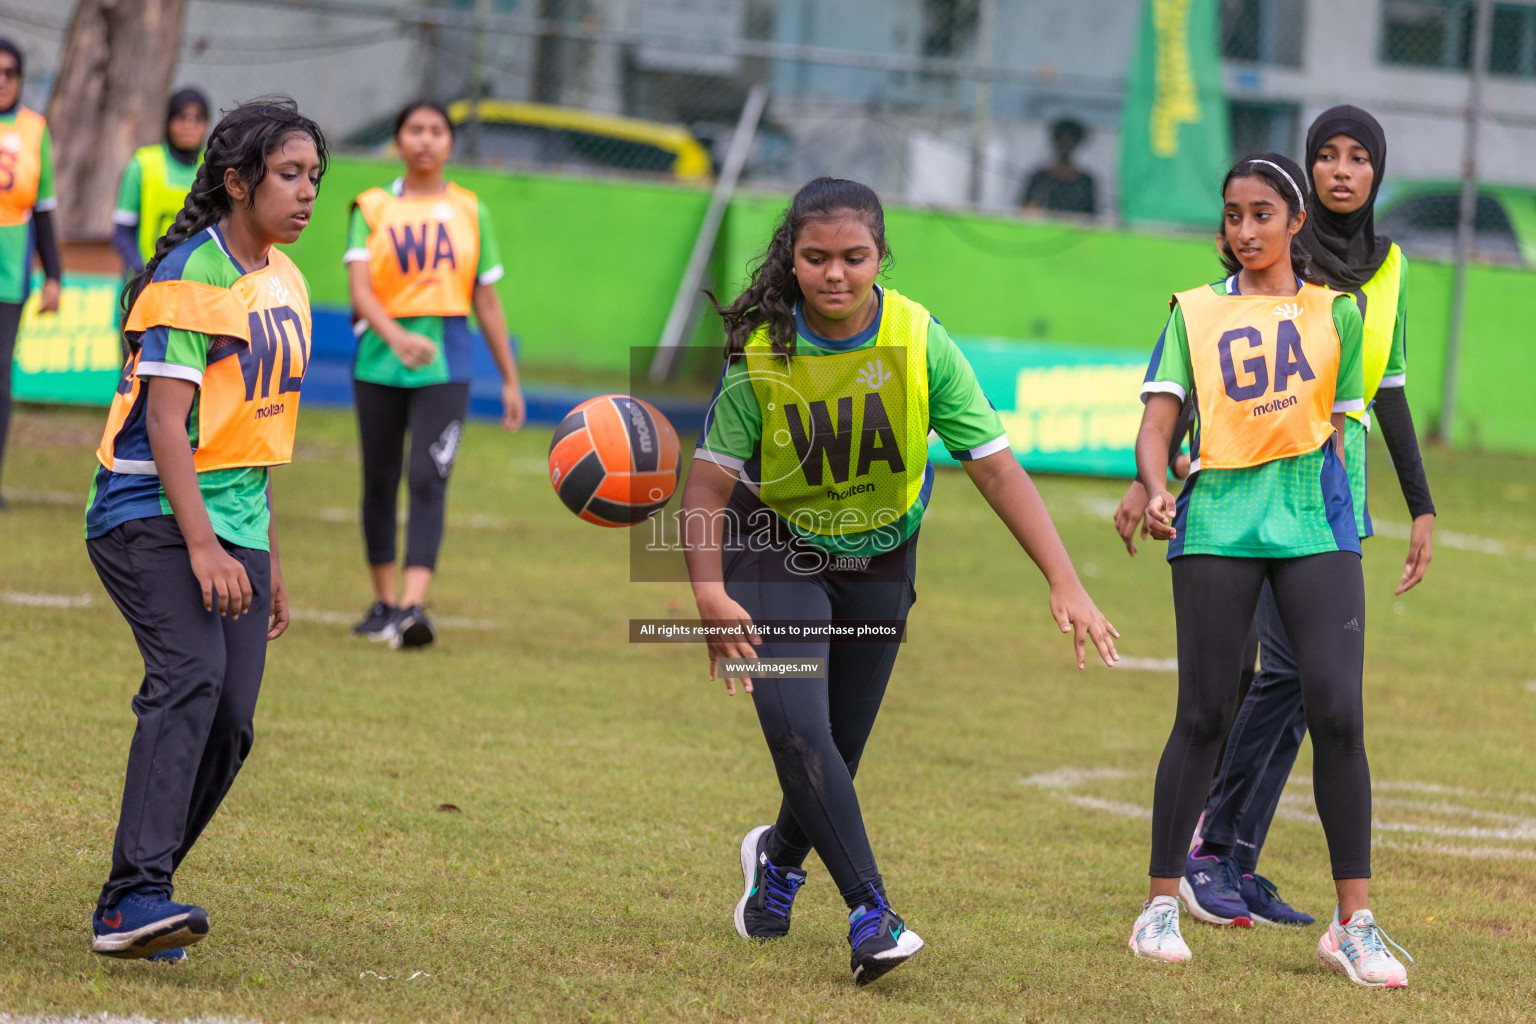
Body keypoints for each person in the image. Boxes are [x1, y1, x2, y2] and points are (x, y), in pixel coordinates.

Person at [685, 177, 1119, 986]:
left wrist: (1064, 579)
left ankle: (775, 861)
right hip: (772, 543)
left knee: (837, 750)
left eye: (854, 257)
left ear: (881, 256)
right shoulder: (764, 351)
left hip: (881, 559)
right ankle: (870, 913)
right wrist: (709, 593)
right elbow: (707, 489)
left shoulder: (920, 341)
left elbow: (994, 470)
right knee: (799, 732)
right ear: (793, 258)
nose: (836, 274)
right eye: (816, 258)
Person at [1128, 154, 1413, 988]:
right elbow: (1158, 425)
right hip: (1217, 524)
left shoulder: (1341, 315)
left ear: (1295, 222)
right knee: (1205, 712)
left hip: (1315, 529)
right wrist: (1152, 487)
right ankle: (1158, 908)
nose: (1245, 230)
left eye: (1262, 214)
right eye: (1232, 215)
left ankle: (1353, 924)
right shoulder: (1192, 312)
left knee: (1338, 709)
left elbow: (1347, 429)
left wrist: (1344, 528)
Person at [1174, 106, 1437, 929]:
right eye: (1326, 155)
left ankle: (1235, 859)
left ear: (1378, 172)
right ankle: (1208, 852)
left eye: (1360, 157)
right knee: (1277, 676)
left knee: (1307, 687)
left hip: (1331, 502)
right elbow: (1216, 357)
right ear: (1306, 174)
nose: (1342, 171)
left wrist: (1420, 504)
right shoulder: (1279, 251)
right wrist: (1181, 454)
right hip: (1251, 492)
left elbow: (1384, 386)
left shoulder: (1388, 267)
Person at [84, 98, 327, 961]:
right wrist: (201, 545)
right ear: (237, 181)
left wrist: (266, 555)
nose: (306, 194)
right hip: (146, 510)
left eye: (314, 179)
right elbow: (164, 426)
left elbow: (250, 438)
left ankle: (140, 891)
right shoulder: (195, 275)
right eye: (290, 175)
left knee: (231, 722)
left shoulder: (289, 280)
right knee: (189, 679)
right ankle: (135, 896)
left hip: (235, 520)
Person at [345, 99, 525, 648]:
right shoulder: (370, 207)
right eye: (414, 130)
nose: (425, 140)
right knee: (379, 480)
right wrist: (396, 337)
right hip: (378, 359)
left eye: (436, 131)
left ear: (450, 143)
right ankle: (382, 603)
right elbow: (360, 292)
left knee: (428, 479)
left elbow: (487, 303)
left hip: (448, 362)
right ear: (398, 141)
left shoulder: (472, 210)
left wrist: (510, 379)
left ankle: (411, 605)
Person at [0, 37, 62, 508]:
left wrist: (54, 276)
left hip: (9, 277)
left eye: (9, 73)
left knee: (1, 378)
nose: (2, 81)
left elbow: (43, 211)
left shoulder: (36, 129)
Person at [112, 88, 211, 275]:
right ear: (168, 121)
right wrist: (143, 273)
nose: (189, 125)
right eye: (182, 117)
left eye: (198, 118)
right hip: (146, 283)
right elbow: (122, 234)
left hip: (195, 285)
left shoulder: (213, 170)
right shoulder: (142, 165)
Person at [1019, 118, 1096, 216]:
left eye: (1069, 142)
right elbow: (1024, 207)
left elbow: (1091, 216)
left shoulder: (1085, 181)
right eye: (1062, 142)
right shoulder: (1040, 177)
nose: (1065, 147)